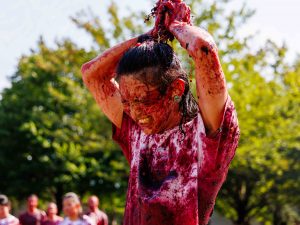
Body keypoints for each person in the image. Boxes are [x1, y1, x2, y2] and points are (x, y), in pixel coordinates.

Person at [81, 0, 240, 224]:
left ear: (176, 89)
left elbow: (203, 46)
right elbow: (91, 74)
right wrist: (148, 37)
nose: (135, 113)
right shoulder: (136, 133)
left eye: (143, 100)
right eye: (126, 102)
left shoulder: (206, 136)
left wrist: (176, 25)